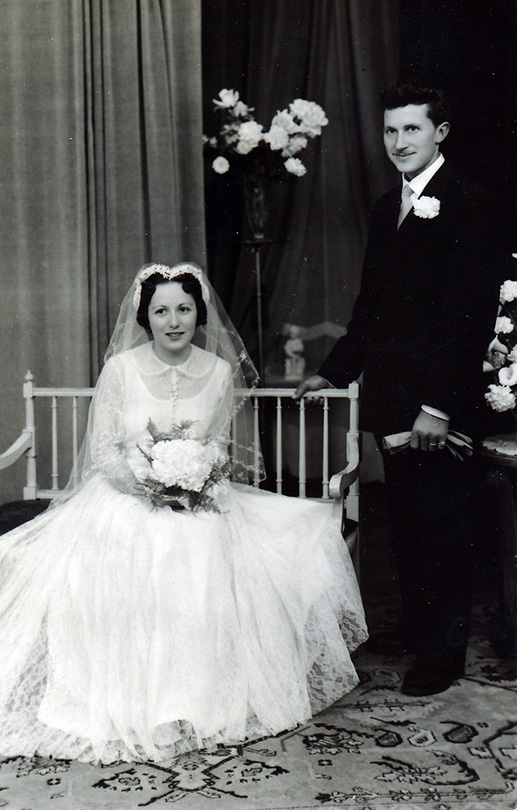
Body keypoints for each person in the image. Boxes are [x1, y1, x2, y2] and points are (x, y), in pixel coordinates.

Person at [0, 262, 367, 765]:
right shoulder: (121, 369)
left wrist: (195, 477)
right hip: (125, 495)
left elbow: (217, 445)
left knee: (219, 544)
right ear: (145, 318)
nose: (174, 321)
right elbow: (105, 450)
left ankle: (200, 701)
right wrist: (149, 487)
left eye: (184, 309)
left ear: (199, 314)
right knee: (134, 547)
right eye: (161, 311)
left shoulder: (218, 371)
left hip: (198, 495)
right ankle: (136, 698)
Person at [295, 83, 509, 696]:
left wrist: (436, 406)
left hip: (439, 402)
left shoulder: (471, 203)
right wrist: (334, 371)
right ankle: (417, 628)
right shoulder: (390, 203)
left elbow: (467, 318)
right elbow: (372, 306)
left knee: (442, 526)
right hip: (392, 394)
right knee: (408, 521)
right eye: (391, 130)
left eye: (411, 129)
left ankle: (443, 654)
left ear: (440, 133)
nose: (398, 141)